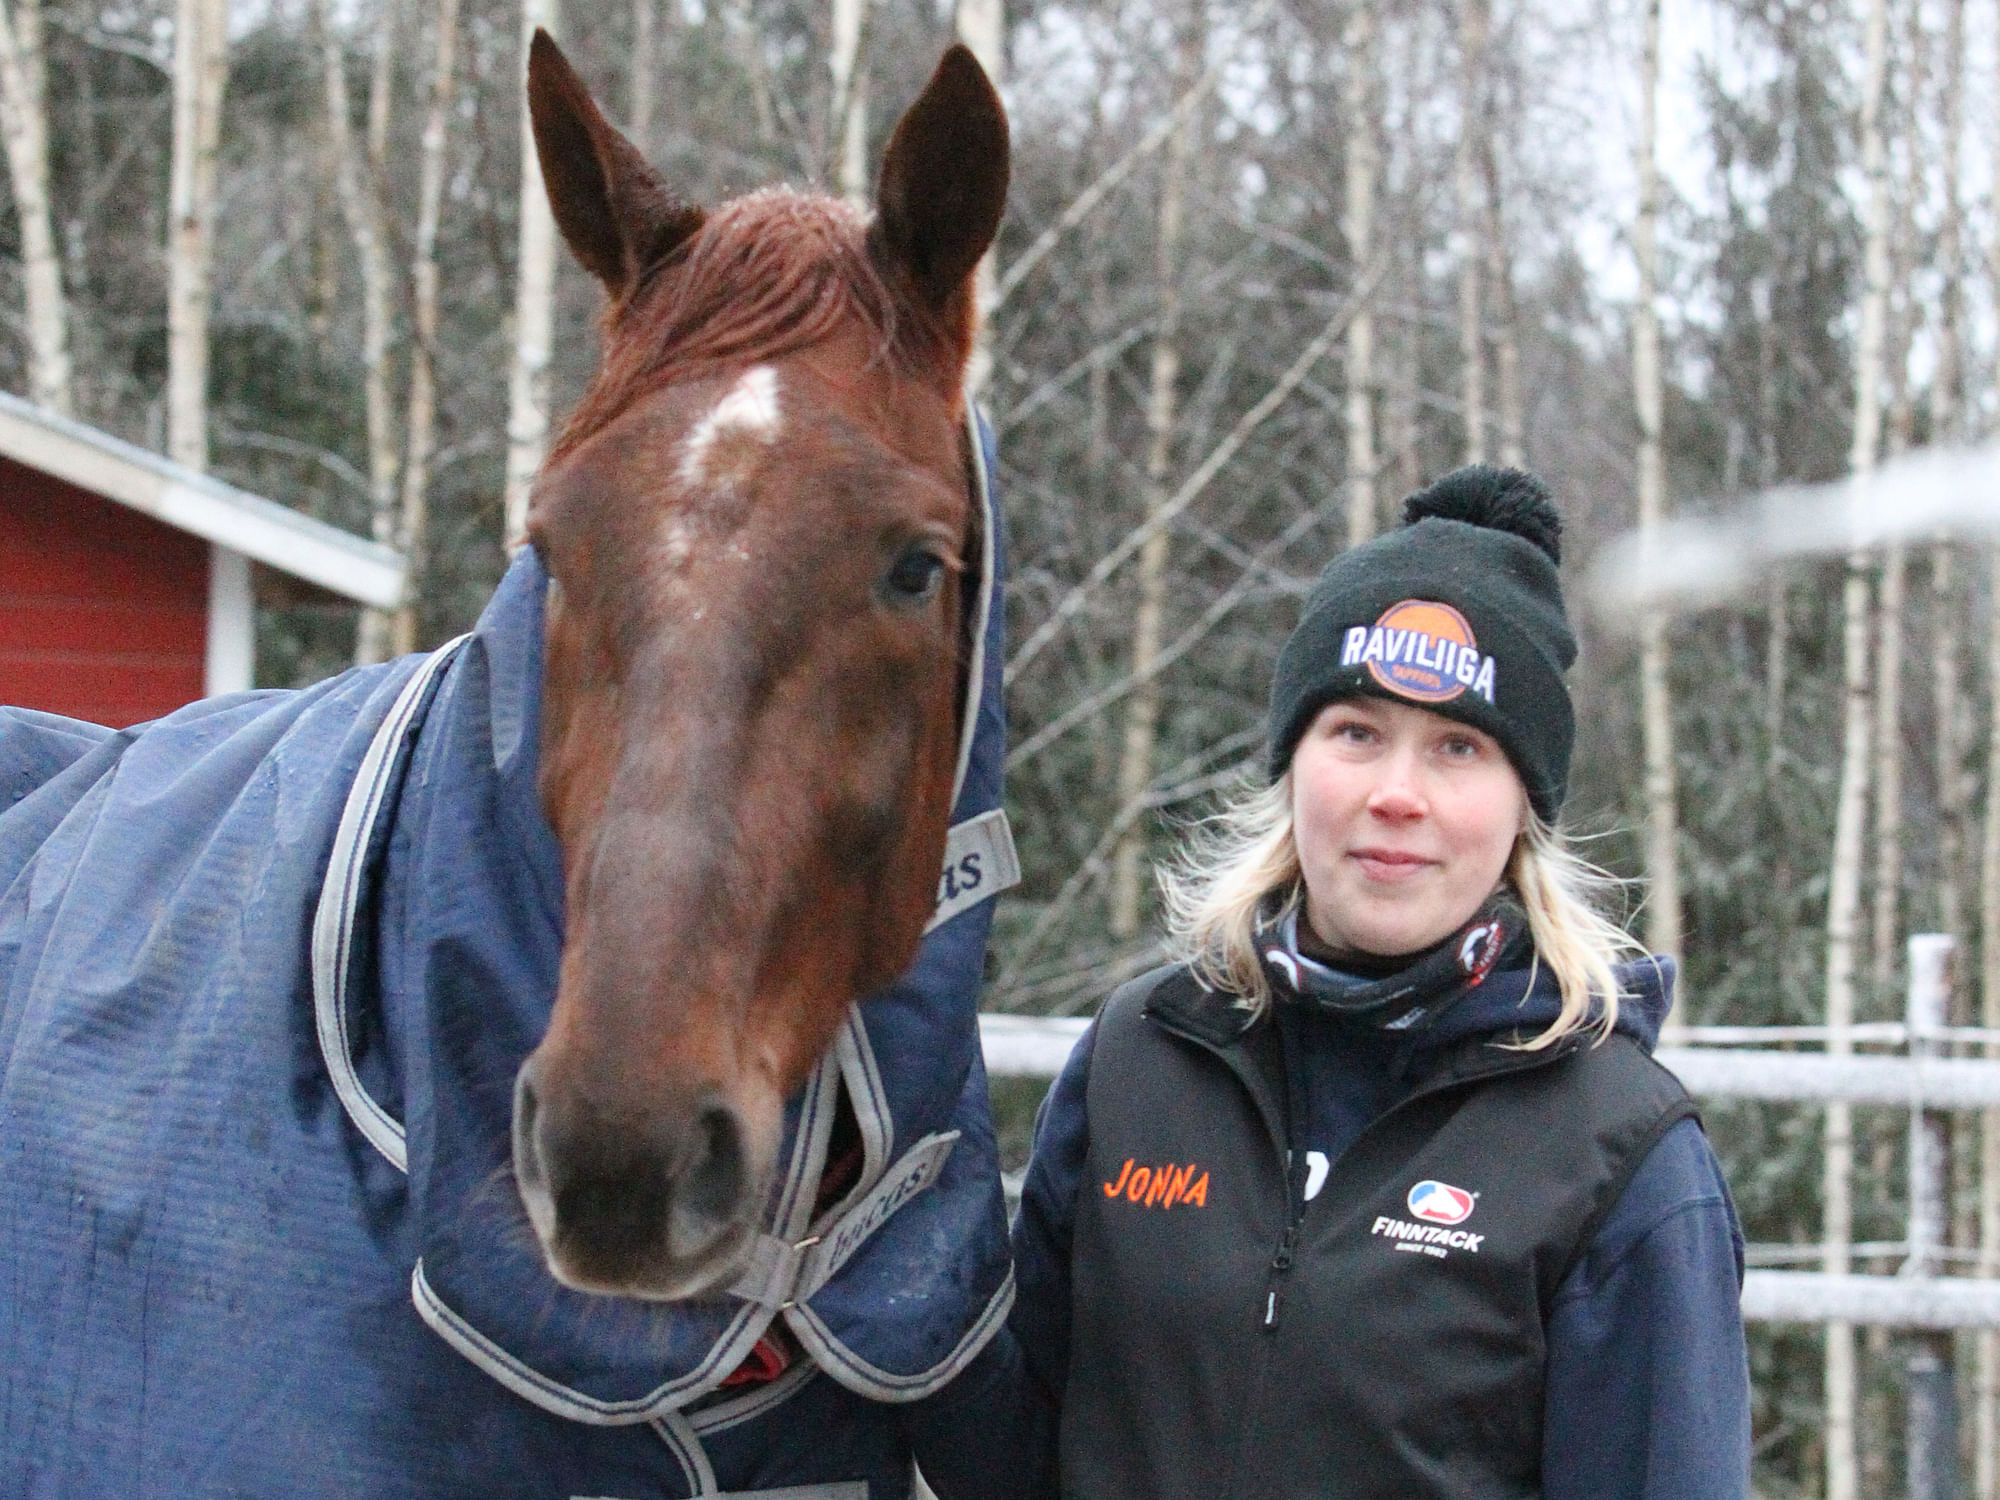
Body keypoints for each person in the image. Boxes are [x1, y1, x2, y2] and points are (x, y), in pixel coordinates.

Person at [996, 466, 1752, 1500]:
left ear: (1521, 804)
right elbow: (1001, 1447)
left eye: (1457, 746)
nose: (1396, 794)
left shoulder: (1616, 1155)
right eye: (1354, 732)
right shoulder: (1140, 1057)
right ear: (1291, 762)